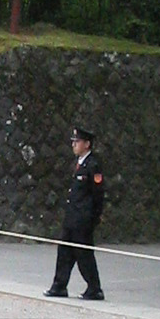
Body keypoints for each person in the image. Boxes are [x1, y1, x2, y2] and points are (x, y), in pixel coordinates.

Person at [43, 126, 105, 301]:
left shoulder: (93, 165)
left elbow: (97, 194)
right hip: (72, 217)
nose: (74, 145)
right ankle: (59, 285)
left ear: (87, 144)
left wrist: (94, 217)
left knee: (83, 254)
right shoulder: (79, 164)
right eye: (73, 142)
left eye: (77, 142)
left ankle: (94, 288)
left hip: (83, 219)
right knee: (64, 252)